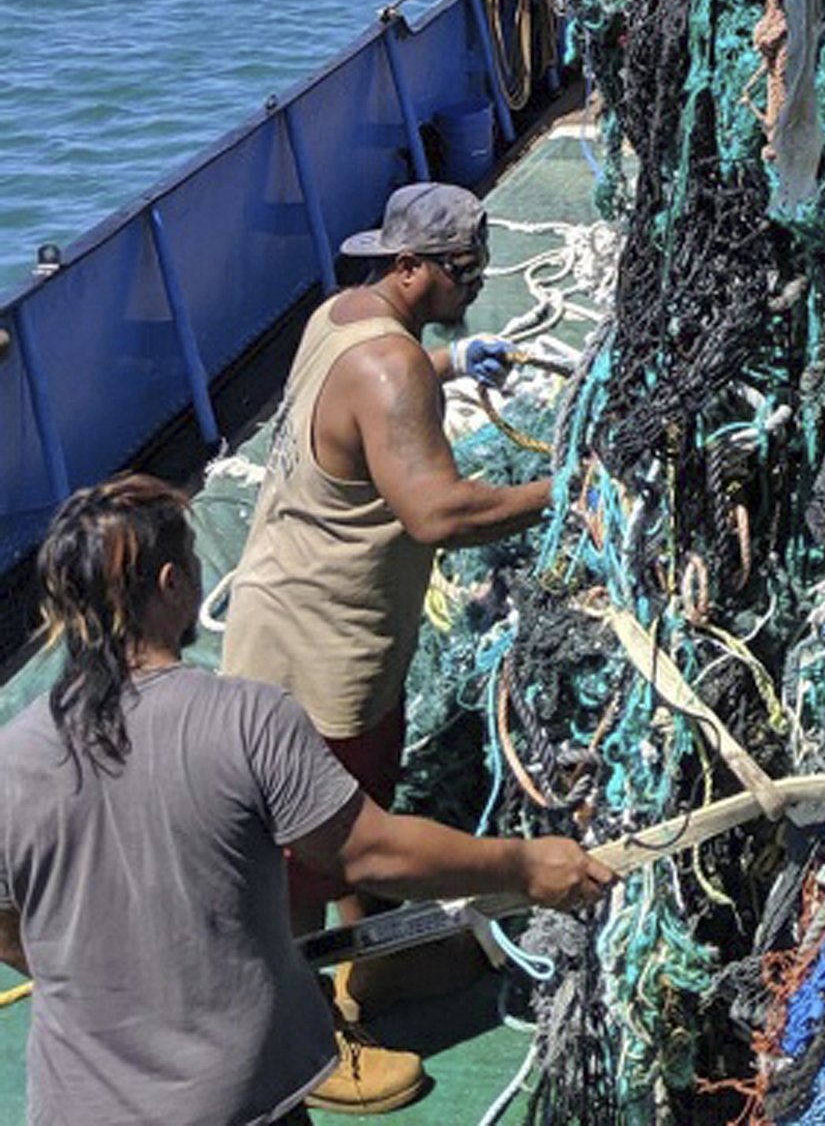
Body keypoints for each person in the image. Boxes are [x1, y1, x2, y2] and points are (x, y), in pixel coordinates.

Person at [0, 475, 612, 1126]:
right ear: (174, 582)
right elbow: (372, 853)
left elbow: (8, 928)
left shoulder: (11, 759)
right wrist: (523, 867)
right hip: (237, 1102)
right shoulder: (245, 720)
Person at [222, 181, 548, 843]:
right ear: (407, 266)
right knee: (332, 845)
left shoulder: (340, 316)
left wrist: (451, 361)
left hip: (271, 617)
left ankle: (358, 930)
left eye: (482, 268)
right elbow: (440, 517)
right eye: (463, 270)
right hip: (329, 655)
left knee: (315, 839)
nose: (477, 286)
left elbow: (363, 390)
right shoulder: (391, 370)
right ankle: (353, 941)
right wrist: (564, 490)